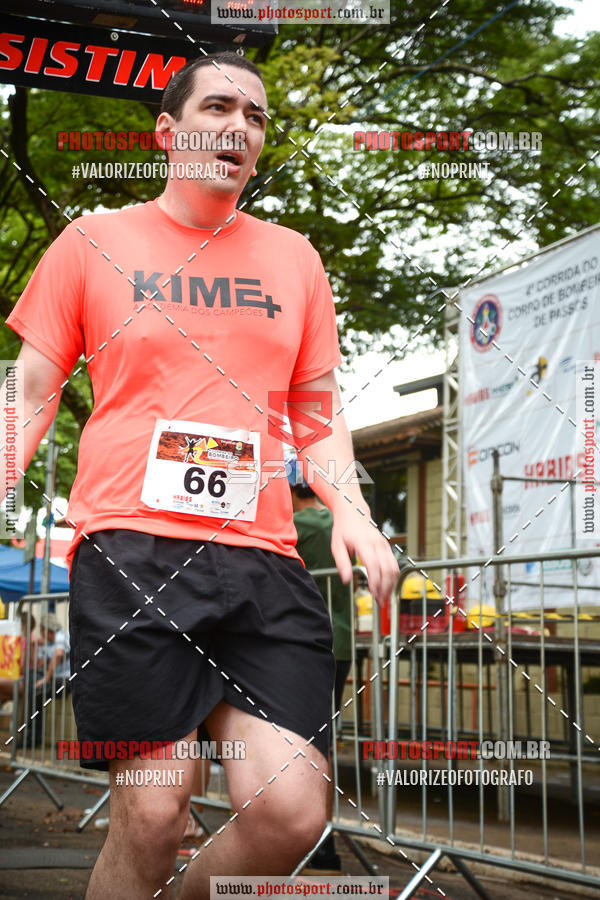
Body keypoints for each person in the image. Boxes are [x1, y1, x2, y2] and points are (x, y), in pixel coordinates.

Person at [2, 51, 399, 898]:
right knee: (152, 812)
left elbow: (317, 417)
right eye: (219, 107)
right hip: (133, 553)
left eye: (255, 117)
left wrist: (354, 512)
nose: (239, 127)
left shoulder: (295, 259)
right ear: (168, 132)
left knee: (293, 813)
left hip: (263, 561)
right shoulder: (94, 241)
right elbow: (30, 393)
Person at [289, 463, 352, 872]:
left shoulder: (299, 524)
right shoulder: (344, 518)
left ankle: (311, 838)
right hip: (341, 639)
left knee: (302, 742)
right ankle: (320, 838)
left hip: (305, 641)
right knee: (320, 740)